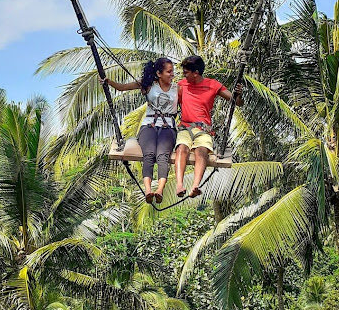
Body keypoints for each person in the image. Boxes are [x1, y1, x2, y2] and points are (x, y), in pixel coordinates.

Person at [101, 58, 177, 204]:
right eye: (169, 71)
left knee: (162, 156)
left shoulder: (177, 88)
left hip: (168, 127)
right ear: (159, 73)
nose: (172, 74)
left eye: (172, 71)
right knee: (149, 154)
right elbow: (123, 87)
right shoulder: (148, 85)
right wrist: (108, 82)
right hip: (148, 125)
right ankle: (148, 190)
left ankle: (159, 190)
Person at [175, 55, 243, 198]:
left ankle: (195, 185)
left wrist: (238, 95)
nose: (184, 75)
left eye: (186, 72)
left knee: (202, 151)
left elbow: (236, 102)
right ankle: (179, 184)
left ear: (196, 73)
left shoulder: (212, 85)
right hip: (185, 126)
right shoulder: (181, 85)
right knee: (182, 148)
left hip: (203, 128)